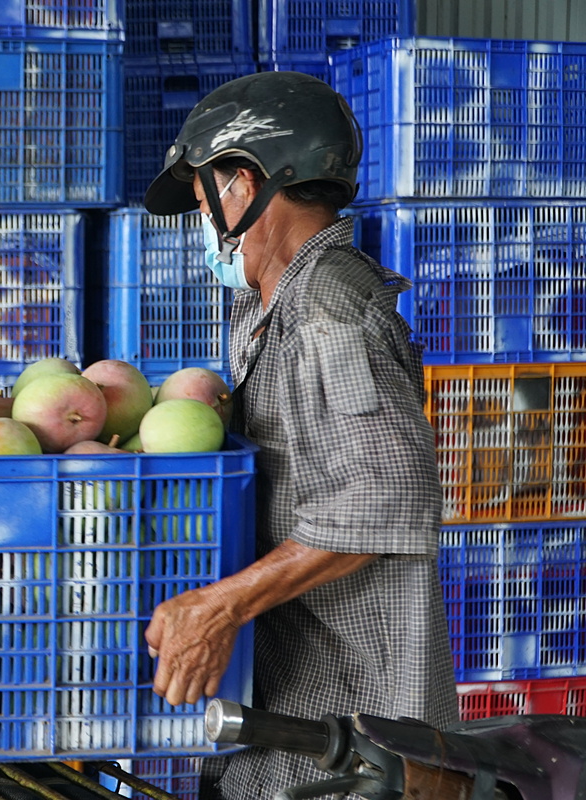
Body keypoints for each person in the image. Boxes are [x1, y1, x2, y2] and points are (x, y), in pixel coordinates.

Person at [141, 72, 458, 798]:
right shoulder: (270, 309)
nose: (205, 224)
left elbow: (384, 498)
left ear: (244, 185)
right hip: (287, 702)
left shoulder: (331, 310)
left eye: (201, 198)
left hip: (352, 731)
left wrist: (220, 606)